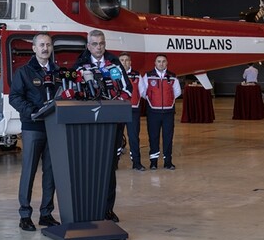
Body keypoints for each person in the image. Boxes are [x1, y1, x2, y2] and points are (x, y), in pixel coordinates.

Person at [73, 30, 131, 222]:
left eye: (102, 44)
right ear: (88, 46)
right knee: (88, 167)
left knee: (109, 168)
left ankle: (108, 209)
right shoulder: (80, 65)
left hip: (111, 124)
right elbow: (73, 90)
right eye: (95, 44)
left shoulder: (114, 63)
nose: (99, 47)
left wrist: (113, 105)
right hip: (87, 125)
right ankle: (87, 209)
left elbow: (127, 90)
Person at [8, 33, 58, 231]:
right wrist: (33, 112)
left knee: (51, 173)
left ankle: (46, 213)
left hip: (54, 129)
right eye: (41, 45)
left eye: (48, 45)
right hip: (33, 127)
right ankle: (25, 215)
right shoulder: (24, 72)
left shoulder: (57, 72)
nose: (45, 48)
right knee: (28, 172)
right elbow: (15, 97)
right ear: (34, 48)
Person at [139, 54, 182, 169]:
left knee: (168, 137)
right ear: (155, 63)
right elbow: (143, 91)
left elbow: (177, 92)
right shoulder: (148, 76)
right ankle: (153, 162)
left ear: (167, 63)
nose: (161, 63)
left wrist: (168, 101)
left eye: (163, 61)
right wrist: (153, 100)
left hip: (168, 113)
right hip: (153, 112)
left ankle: (168, 162)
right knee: (153, 137)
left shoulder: (172, 76)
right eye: (159, 61)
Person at [119, 52, 143, 171]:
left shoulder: (137, 75)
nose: (124, 62)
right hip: (118, 110)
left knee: (133, 137)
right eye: (122, 60)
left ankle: (137, 163)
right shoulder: (113, 74)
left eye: (127, 60)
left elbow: (143, 92)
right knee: (116, 138)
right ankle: (114, 163)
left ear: (130, 62)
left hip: (133, 110)